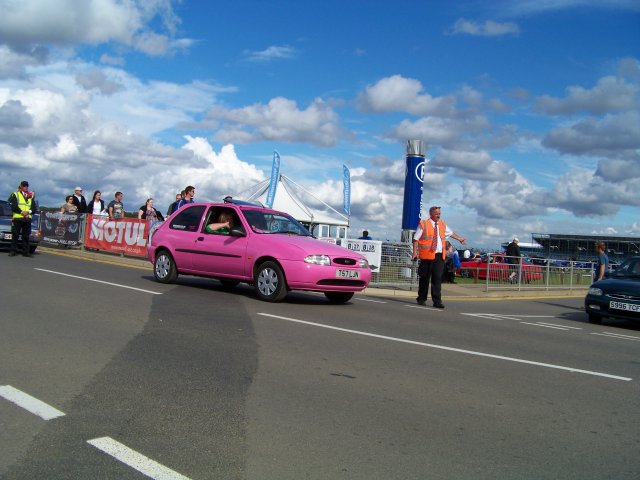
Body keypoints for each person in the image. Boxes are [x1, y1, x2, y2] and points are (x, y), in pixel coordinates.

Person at [412, 206, 466, 308]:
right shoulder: (424, 224)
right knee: (425, 278)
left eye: (439, 213)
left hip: (439, 256)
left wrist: (459, 239)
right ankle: (421, 298)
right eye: (436, 213)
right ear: (431, 214)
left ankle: (437, 301)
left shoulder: (442, 224)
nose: (438, 215)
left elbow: (450, 233)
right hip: (427, 256)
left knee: (437, 279)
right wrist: (414, 253)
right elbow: (415, 239)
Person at [8, 180, 37, 257]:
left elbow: (34, 208)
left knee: (26, 236)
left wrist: (28, 212)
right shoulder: (15, 194)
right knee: (15, 235)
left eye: (27, 186)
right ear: (20, 187)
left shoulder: (30, 196)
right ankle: (13, 251)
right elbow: (13, 206)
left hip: (27, 218)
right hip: (18, 218)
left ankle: (25, 252)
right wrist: (22, 212)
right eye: (24, 186)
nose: (26, 187)